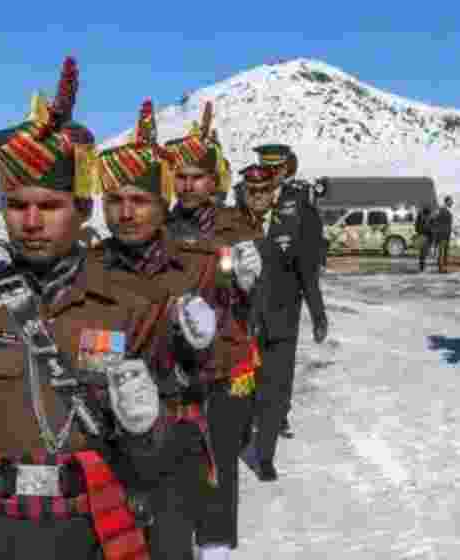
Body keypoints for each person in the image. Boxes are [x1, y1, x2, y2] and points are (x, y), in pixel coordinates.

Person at [0, 56, 175, 560]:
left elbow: (157, 460)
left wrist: (146, 427)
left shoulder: (132, 305)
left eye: (50, 206)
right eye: (19, 206)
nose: (32, 221)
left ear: (83, 210)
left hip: (84, 528)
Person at [92, 98, 240, 560]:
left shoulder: (195, 268)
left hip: (175, 438)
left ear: (163, 204)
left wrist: (201, 343)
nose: (126, 213)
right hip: (106, 443)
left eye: (140, 200)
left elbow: (229, 357)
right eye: (114, 201)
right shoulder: (87, 270)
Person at [163, 102, 262, 559]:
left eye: (197, 176)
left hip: (226, 363)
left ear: (214, 180)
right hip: (173, 366)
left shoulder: (235, 226)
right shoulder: (159, 228)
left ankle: (217, 547)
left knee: (221, 460)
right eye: (180, 177)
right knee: (174, 464)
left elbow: (263, 298)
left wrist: (250, 284)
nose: (188, 185)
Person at [241, 158, 328, 482]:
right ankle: (242, 434)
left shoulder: (296, 214)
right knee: (245, 387)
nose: (258, 196)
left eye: (264, 190)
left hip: (282, 316)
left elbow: (307, 270)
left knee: (275, 390)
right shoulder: (234, 216)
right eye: (253, 191)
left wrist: (318, 314)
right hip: (243, 319)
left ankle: (264, 455)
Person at [433, 196, 454, 272]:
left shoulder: (446, 210)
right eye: (451, 201)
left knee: (445, 252)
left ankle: (444, 268)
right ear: (447, 201)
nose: (452, 203)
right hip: (442, 235)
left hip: (446, 235)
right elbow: (435, 221)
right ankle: (441, 269)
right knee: (442, 252)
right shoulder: (441, 210)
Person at [416, 205, 435, 272]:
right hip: (427, 236)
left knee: (422, 253)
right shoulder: (431, 217)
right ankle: (422, 267)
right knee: (424, 252)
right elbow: (433, 228)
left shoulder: (420, 216)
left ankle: (422, 266)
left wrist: (419, 233)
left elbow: (416, 227)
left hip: (422, 235)